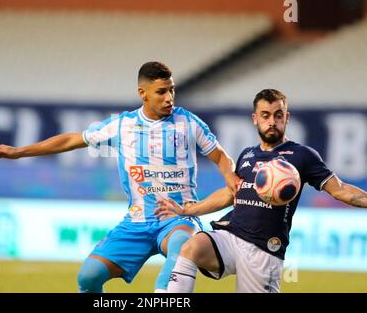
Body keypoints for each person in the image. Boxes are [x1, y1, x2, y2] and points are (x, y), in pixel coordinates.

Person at [0, 61, 239, 293]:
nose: (169, 98)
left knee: (182, 251)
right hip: (137, 222)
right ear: (143, 93)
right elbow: (71, 139)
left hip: (178, 218)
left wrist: (231, 177)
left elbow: (220, 156)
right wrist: (19, 152)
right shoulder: (122, 125)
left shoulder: (188, 122)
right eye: (161, 92)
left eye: (171, 90)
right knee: (88, 278)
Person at [155, 89, 367, 293]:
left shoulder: (302, 156)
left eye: (278, 115)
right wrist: (187, 211)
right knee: (192, 247)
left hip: (264, 250)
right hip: (231, 236)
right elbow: (230, 194)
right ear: (255, 118)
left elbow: (339, 190)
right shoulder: (247, 154)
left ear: (287, 118)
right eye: (265, 115)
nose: (272, 121)